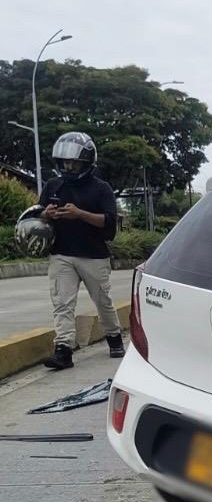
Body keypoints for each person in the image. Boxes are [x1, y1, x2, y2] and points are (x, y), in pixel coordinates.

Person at [36, 131, 124, 369]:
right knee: (62, 303)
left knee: (102, 301)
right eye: (65, 162)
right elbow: (38, 213)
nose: (70, 167)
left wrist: (79, 214)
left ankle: (114, 338)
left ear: (86, 162)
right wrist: (47, 214)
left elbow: (109, 224)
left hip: (93, 255)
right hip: (61, 253)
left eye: (74, 162)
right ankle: (63, 350)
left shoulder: (101, 189)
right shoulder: (54, 185)